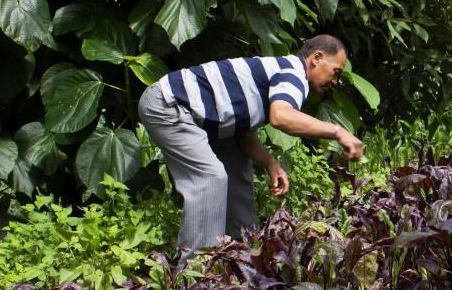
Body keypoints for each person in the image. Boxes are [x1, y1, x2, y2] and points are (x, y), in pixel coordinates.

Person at [137, 34, 364, 261]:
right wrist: (338, 131)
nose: (334, 81)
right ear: (317, 58)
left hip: (204, 120)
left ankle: (241, 256)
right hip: (168, 106)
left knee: (237, 167)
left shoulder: (281, 70)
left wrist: (269, 162)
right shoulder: (293, 73)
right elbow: (281, 116)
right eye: (336, 72)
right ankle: (196, 270)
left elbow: (244, 132)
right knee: (210, 178)